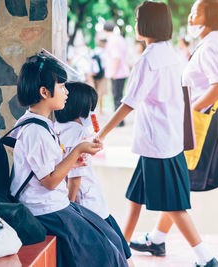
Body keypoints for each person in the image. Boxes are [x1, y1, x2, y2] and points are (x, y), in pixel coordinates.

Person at [130, 0, 218, 259]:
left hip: (212, 117)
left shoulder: (212, 44)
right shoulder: (211, 42)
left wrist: (190, 112)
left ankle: (159, 240)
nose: (190, 17)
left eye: (196, 12)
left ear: (210, 15)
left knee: (180, 176)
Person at [98, 2, 218, 266]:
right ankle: (121, 250)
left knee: (174, 206)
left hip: (157, 144)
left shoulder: (148, 59)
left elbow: (129, 102)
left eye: (138, 17)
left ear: (146, 24)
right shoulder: (172, 54)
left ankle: (207, 259)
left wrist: (102, 133)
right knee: (134, 198)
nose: (135, 21)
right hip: (166, 140)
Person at [10, 54, 128, 267]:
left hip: (54, 205)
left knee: (109, 237)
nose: (66, 92)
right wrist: (76, 151)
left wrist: (72, 163)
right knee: (106, 251)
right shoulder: (36, 131)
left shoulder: (37, 124)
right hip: (47, 211)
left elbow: (43, 171)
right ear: (44, 92)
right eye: (62, 86)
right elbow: (50, 182)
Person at [54, 81, 133, 263]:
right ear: (80, 107)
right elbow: (75, 178)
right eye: (90, 108)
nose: (92, 112)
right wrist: (70, 210)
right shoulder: (79, 132)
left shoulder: (58, 128)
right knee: (120, 252)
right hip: (91, 207)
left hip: (83, 204)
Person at [104, 20, 130, 126]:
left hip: (117, 73)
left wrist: (114, 72)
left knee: (117, 97)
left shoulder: (112, 40)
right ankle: (120, 120)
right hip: (121, 72)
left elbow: (116, 57)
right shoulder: (119, 38)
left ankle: (119, 121)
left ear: (105, 30)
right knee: (118, 96)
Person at [91, 39, 108, 115]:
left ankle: (92, 109)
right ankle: (100, 110)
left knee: (93, 91)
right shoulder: (105, 52)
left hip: (93, 74)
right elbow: (106, 64)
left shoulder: (94, 51)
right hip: (102, 74)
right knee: (100, 93)